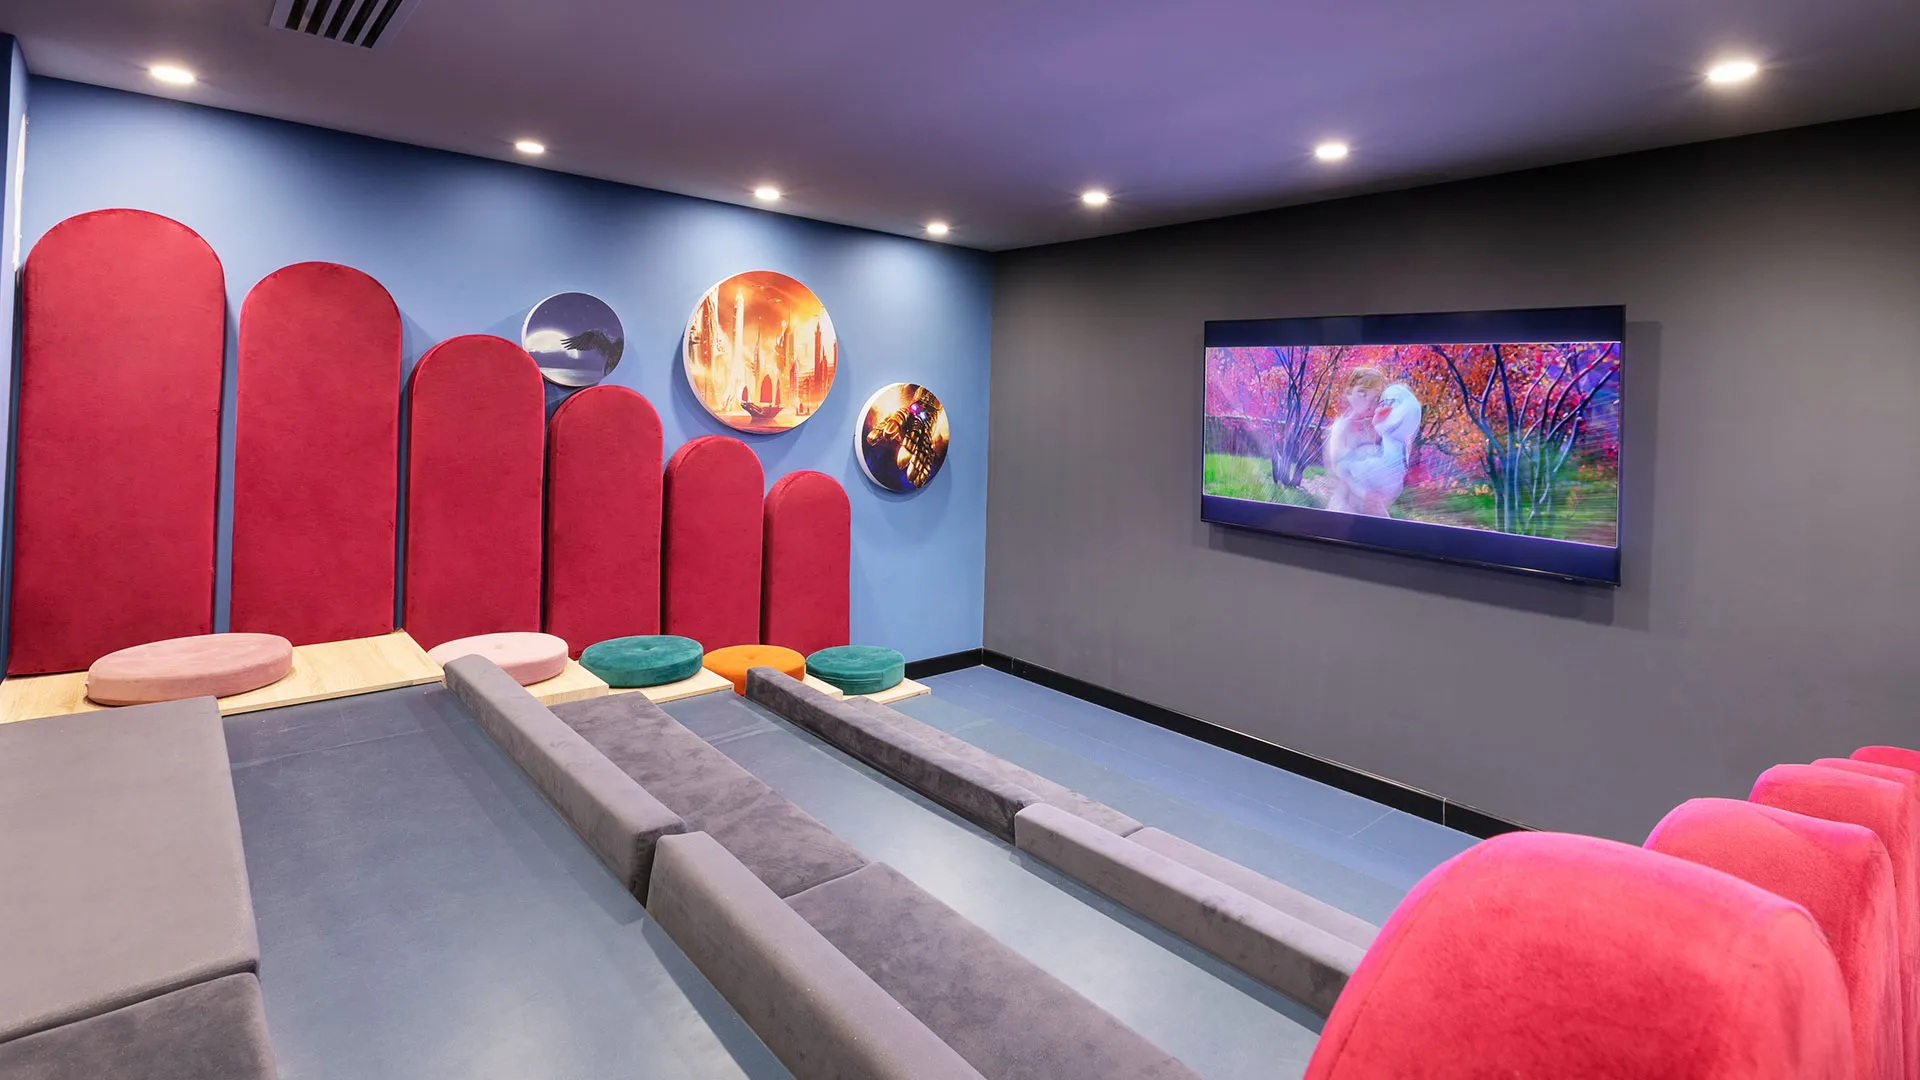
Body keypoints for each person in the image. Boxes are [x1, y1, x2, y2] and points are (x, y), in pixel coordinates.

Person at [1347, 383, 1422, 516]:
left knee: (1368, 499)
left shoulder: (1396, 424)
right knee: (1369, 503)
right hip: (1391, 473)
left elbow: (1377, 421)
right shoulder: (1401, 431)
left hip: (1386, 470)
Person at [1323, 367, 1386, 513]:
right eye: (1363, 394)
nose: (1369, 403)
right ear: (1349, 393)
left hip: (1371, 499)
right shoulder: (1342, 428)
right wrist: (1363, 493)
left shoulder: (1374, 428)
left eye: (1376, 398)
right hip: (1347, 500)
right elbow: (1340, 469)